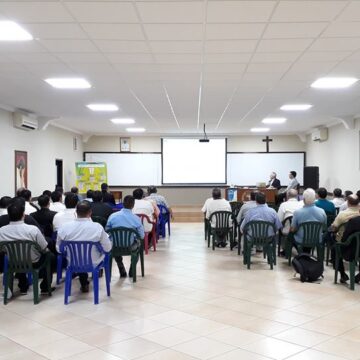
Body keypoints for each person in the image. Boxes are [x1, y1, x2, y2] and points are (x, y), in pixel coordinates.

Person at [0, 198, 54, 294]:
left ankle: (23, 286)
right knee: (50, 256)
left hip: (13, 261)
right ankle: (45, 287)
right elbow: (44, 247)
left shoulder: (2, 231)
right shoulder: (32, 230)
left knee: (18, 256)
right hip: (34, 262)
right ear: (23, 215)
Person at [56, 200, 112, 292]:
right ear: (90, 213)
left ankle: (82, 282)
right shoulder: (97, 227)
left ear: (76, 212)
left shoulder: (64, 227)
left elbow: (59, 248)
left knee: (78, 256)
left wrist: (67, 253)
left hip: (72, 263)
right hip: (94, 263)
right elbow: (107, 248)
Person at [106, 195, 144, 278]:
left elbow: (107, 231)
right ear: (133, 205)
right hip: (131, 246)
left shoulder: (112, 216)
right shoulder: (136, 218)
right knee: (138, 246)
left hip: (115, 246)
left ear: (123, 203)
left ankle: (121, 267)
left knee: (114, 243)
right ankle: (132, 269)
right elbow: (142, 235)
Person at [337, 215, 360, 284]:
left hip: (354, 252)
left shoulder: (354, 221)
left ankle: (342, 274)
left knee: (335, 249)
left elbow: (345, 238)